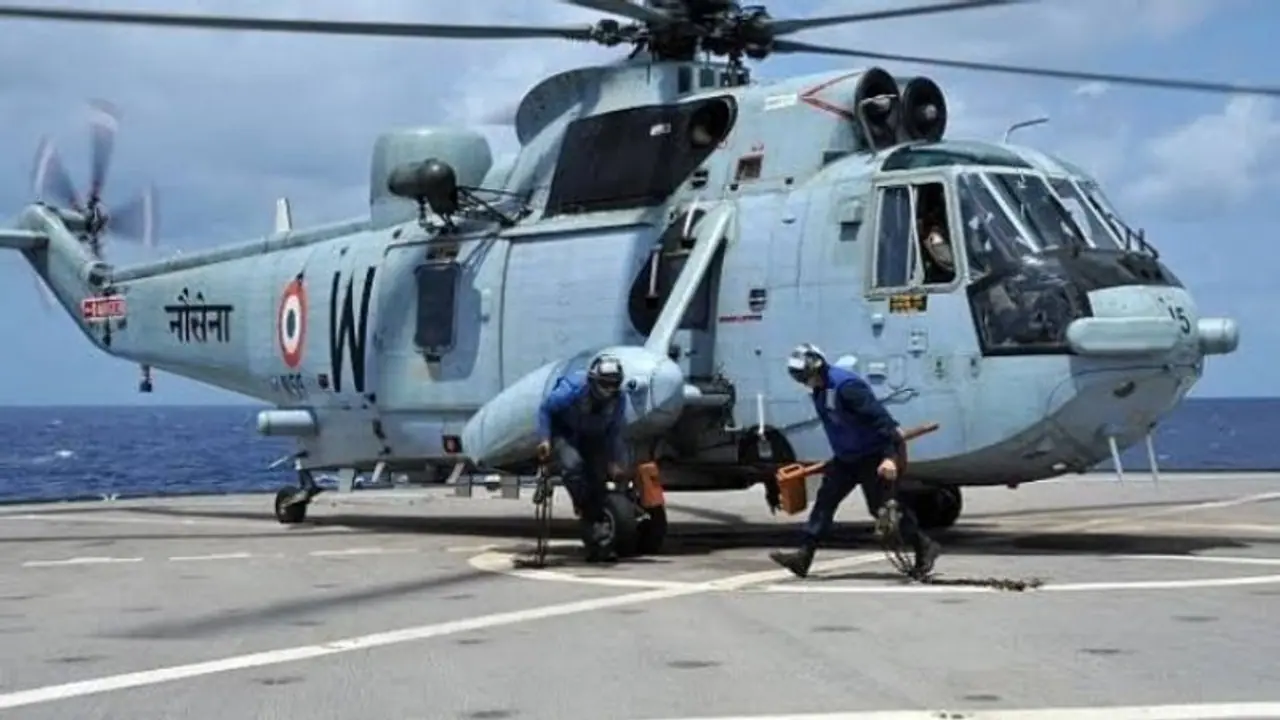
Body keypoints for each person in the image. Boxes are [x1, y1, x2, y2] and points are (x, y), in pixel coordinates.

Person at [769, 344, 941, 579]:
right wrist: (838, 457)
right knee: (825, 502)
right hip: (846, 460)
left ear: (817, 368)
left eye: (806, 376)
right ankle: (804, 556)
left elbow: (884, 423)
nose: (804, 381)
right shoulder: (820, 391)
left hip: (873, 456)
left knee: (882, 510)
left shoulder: (847, 387)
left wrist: (890, 458)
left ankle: (924, 546)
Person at [535, 353, 627, 562]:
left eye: (615, 384)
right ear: (594, 380)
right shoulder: (573, 388)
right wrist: (545, 439)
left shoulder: (618, 399)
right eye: (606, 384)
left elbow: (614, 431)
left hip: (593, 436)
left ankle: (595, 543)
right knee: (573, 466)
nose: (610, 389)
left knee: (598, 480)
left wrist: (614, 461)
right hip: (565, 433)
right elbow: (546, 409)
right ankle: (585, 507)